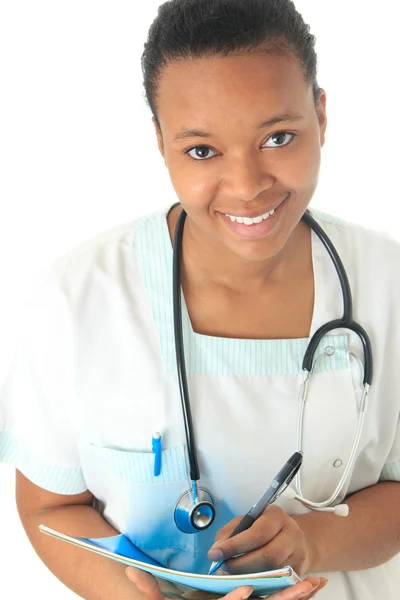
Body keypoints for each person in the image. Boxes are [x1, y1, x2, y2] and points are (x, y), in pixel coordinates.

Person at [1, 0, 399, 598]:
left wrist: (311, 541)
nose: (246, 186)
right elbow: (50, 507)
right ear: (160, 142)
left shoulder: (389, 285)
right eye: (202, 151)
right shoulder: (69, 303)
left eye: (279, 136)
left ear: (322, 115)